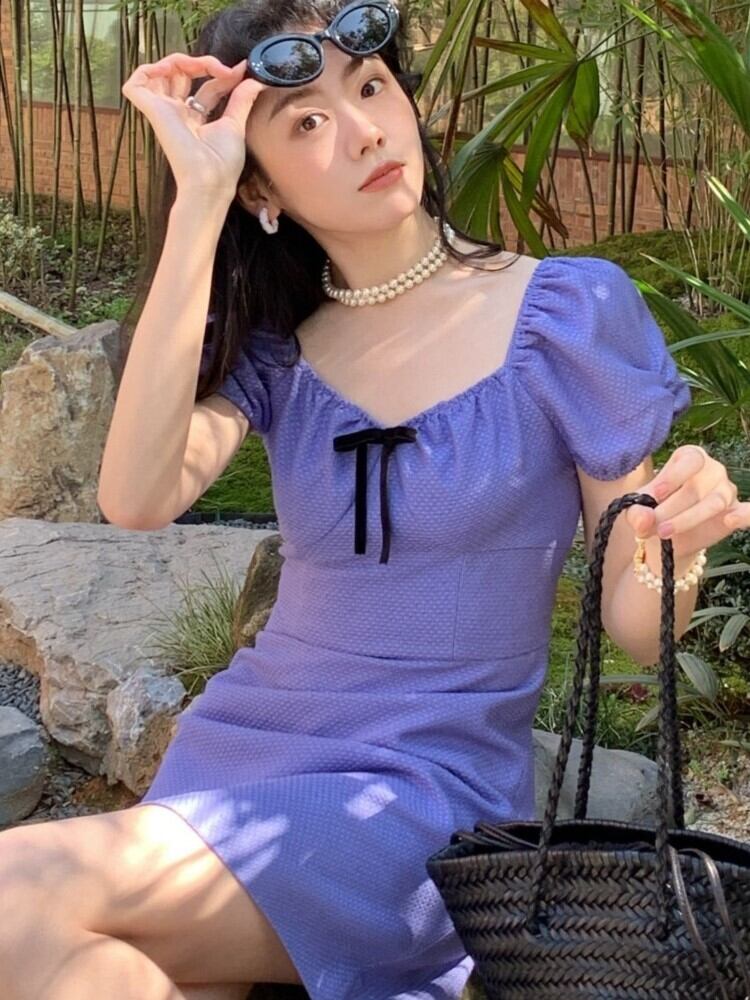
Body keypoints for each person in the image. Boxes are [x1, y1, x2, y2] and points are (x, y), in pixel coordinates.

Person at [2, 2, 744, 999]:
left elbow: (641, 629)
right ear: (259, 185)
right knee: (70, 965)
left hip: (417, 797)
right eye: (306, 121)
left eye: (370, 87)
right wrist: (198, 200)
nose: (361, 131)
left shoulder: (565, 312)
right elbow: (136, 497)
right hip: (241, 748)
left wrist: (673, 542)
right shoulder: (281, 353)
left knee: (15, 892)